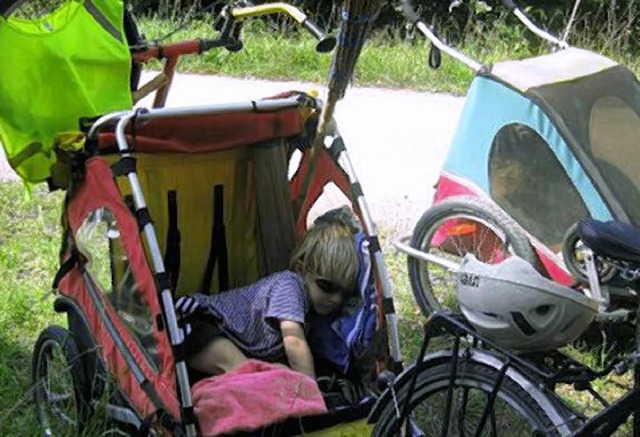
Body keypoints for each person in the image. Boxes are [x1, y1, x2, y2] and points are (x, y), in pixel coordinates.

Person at [174, 220, 359, 381]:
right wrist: (312, 392)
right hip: (193, 322)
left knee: (270, 375)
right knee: (246, 372)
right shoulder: (291, 285)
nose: (336, 299)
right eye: (327, 286)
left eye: (344, 293)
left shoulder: (311, 311)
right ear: (301, 269)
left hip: (222, 345)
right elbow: (294, 343)